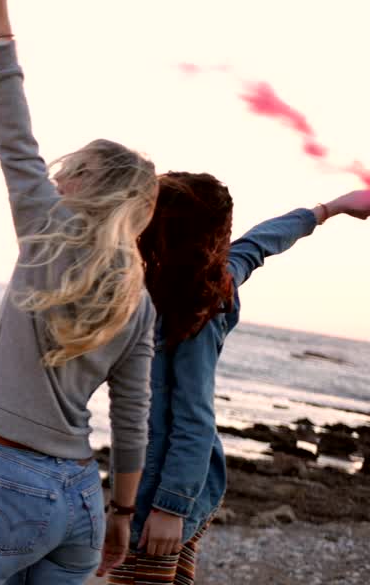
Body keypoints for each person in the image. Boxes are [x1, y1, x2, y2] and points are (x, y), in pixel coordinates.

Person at [0, 0, 159, 585]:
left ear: (83, 184)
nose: (51, 176)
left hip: (8, 480)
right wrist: (121, 515)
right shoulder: (140, 298)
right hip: (80, 496)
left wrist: (0, 26)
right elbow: (133, 416)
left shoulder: (47, 231)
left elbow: (14, 137)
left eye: (64, 170)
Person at [105, 174, 370, 584]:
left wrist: (170, 507)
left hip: (164, 491)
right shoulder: (215, 275)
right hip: (184, 482)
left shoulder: (195, 307)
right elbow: (259, 243)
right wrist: (329, 209)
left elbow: (195, 416)